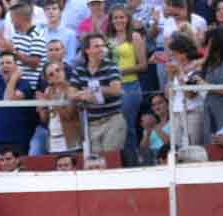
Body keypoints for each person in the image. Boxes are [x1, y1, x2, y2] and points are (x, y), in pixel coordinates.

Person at [68, 32, 126, 153]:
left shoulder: (111, 66)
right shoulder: (79, 70)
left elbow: (116, 89)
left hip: (112, 121)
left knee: (110, 160)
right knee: (97, 163)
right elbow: (71, 94)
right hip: (91, 124)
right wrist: (83, 95)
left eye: (103, 46)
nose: (102, 49)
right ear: (87, 50)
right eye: (97, 46)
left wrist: (94, 91)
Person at [107, 5, 147, 160]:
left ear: (128, 19)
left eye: (122, 17)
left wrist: (120, 71)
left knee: (127, 124)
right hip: (112, 88)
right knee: (116, 125)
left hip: (130, 86)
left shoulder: (135, 37)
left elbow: (143, 65)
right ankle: (119, 159)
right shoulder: (108, 40)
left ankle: (133, 158)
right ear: (111, 20)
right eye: (115, 17)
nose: (119, 20)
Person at [0, 51, 36, 155]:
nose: (4, 66)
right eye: (1, 63)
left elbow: (8, 99)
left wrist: (14, 78)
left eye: (8, 63)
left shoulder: (24, 84)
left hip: (19, 139)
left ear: (16, 66)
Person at [167, 31, 204, 147]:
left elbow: (190, 94)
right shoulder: (177, 68)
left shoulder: (198, 67)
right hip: (176, 113)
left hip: (192, 113)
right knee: (178, 150)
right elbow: (168, 96)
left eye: (175, 54)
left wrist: (179, 73)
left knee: (193, 149)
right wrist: (170, 77)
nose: (173, 57)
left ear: (184, 53)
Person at [37, 60, 80, 153]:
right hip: (53, 141)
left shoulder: (71, 89)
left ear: (63, 71)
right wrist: (41, 108)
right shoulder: (48, 91)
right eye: (51, 74)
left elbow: (68, 115)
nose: (56, 74)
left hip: (70, 141)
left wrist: (54, 101)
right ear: (48, 80)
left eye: (58, 70)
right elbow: (45, 120)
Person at [202, 27, 223, 142]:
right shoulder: (209, 64)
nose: (206, 47)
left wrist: (206, 86)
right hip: (209, 110)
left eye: (208, 43)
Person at [42, 0, 78, 66]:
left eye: (54, 9)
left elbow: (71, 59)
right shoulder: (40, 33)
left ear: (60, 12)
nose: (51, 11)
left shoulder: (70, 34)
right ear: (44, 12)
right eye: (48, 9)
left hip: (64, 71)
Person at [140, 93, 171, 163]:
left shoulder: (173, 122)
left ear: (167, 104)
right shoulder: (149, 126)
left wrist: (155, 127)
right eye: (154, 105)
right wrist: (147, 133)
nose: (157, 107)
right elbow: (142, 150)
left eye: (160, 103)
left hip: (166, 158)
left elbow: (170, 143)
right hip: (151, 159)